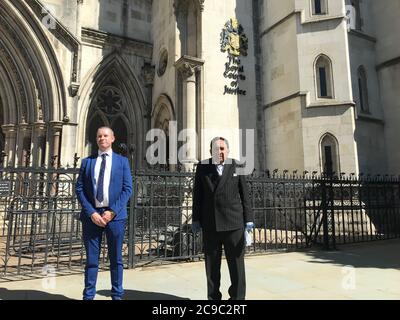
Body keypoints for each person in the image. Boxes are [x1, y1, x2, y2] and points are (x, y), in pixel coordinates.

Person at [192, 137, 254, 300]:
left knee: (237, 267)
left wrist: (248, 220)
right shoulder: (203, 167)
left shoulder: (237, 165)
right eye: (215, 149)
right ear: (210, 151)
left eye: (222, 149)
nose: (219, 152)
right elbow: (197, 195)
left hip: (234, 224)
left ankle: (237, 299)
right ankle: (213, 299)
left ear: (227, 150)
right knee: (212, 268)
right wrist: (196, 219)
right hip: (211, 224)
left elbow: (245, 195)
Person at [75, 127, 133, 300]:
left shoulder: (122, 162)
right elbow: (79, 189)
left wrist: (112, 211)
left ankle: (117, 295)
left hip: (115, 217)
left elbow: (127, 189)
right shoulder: (87, 162)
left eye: (105, 135)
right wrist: (91, 212)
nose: (102, 138)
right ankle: (88, 296)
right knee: (91, 261)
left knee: (116, 260)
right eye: (99, 136)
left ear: (113, 138)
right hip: (92, 216)